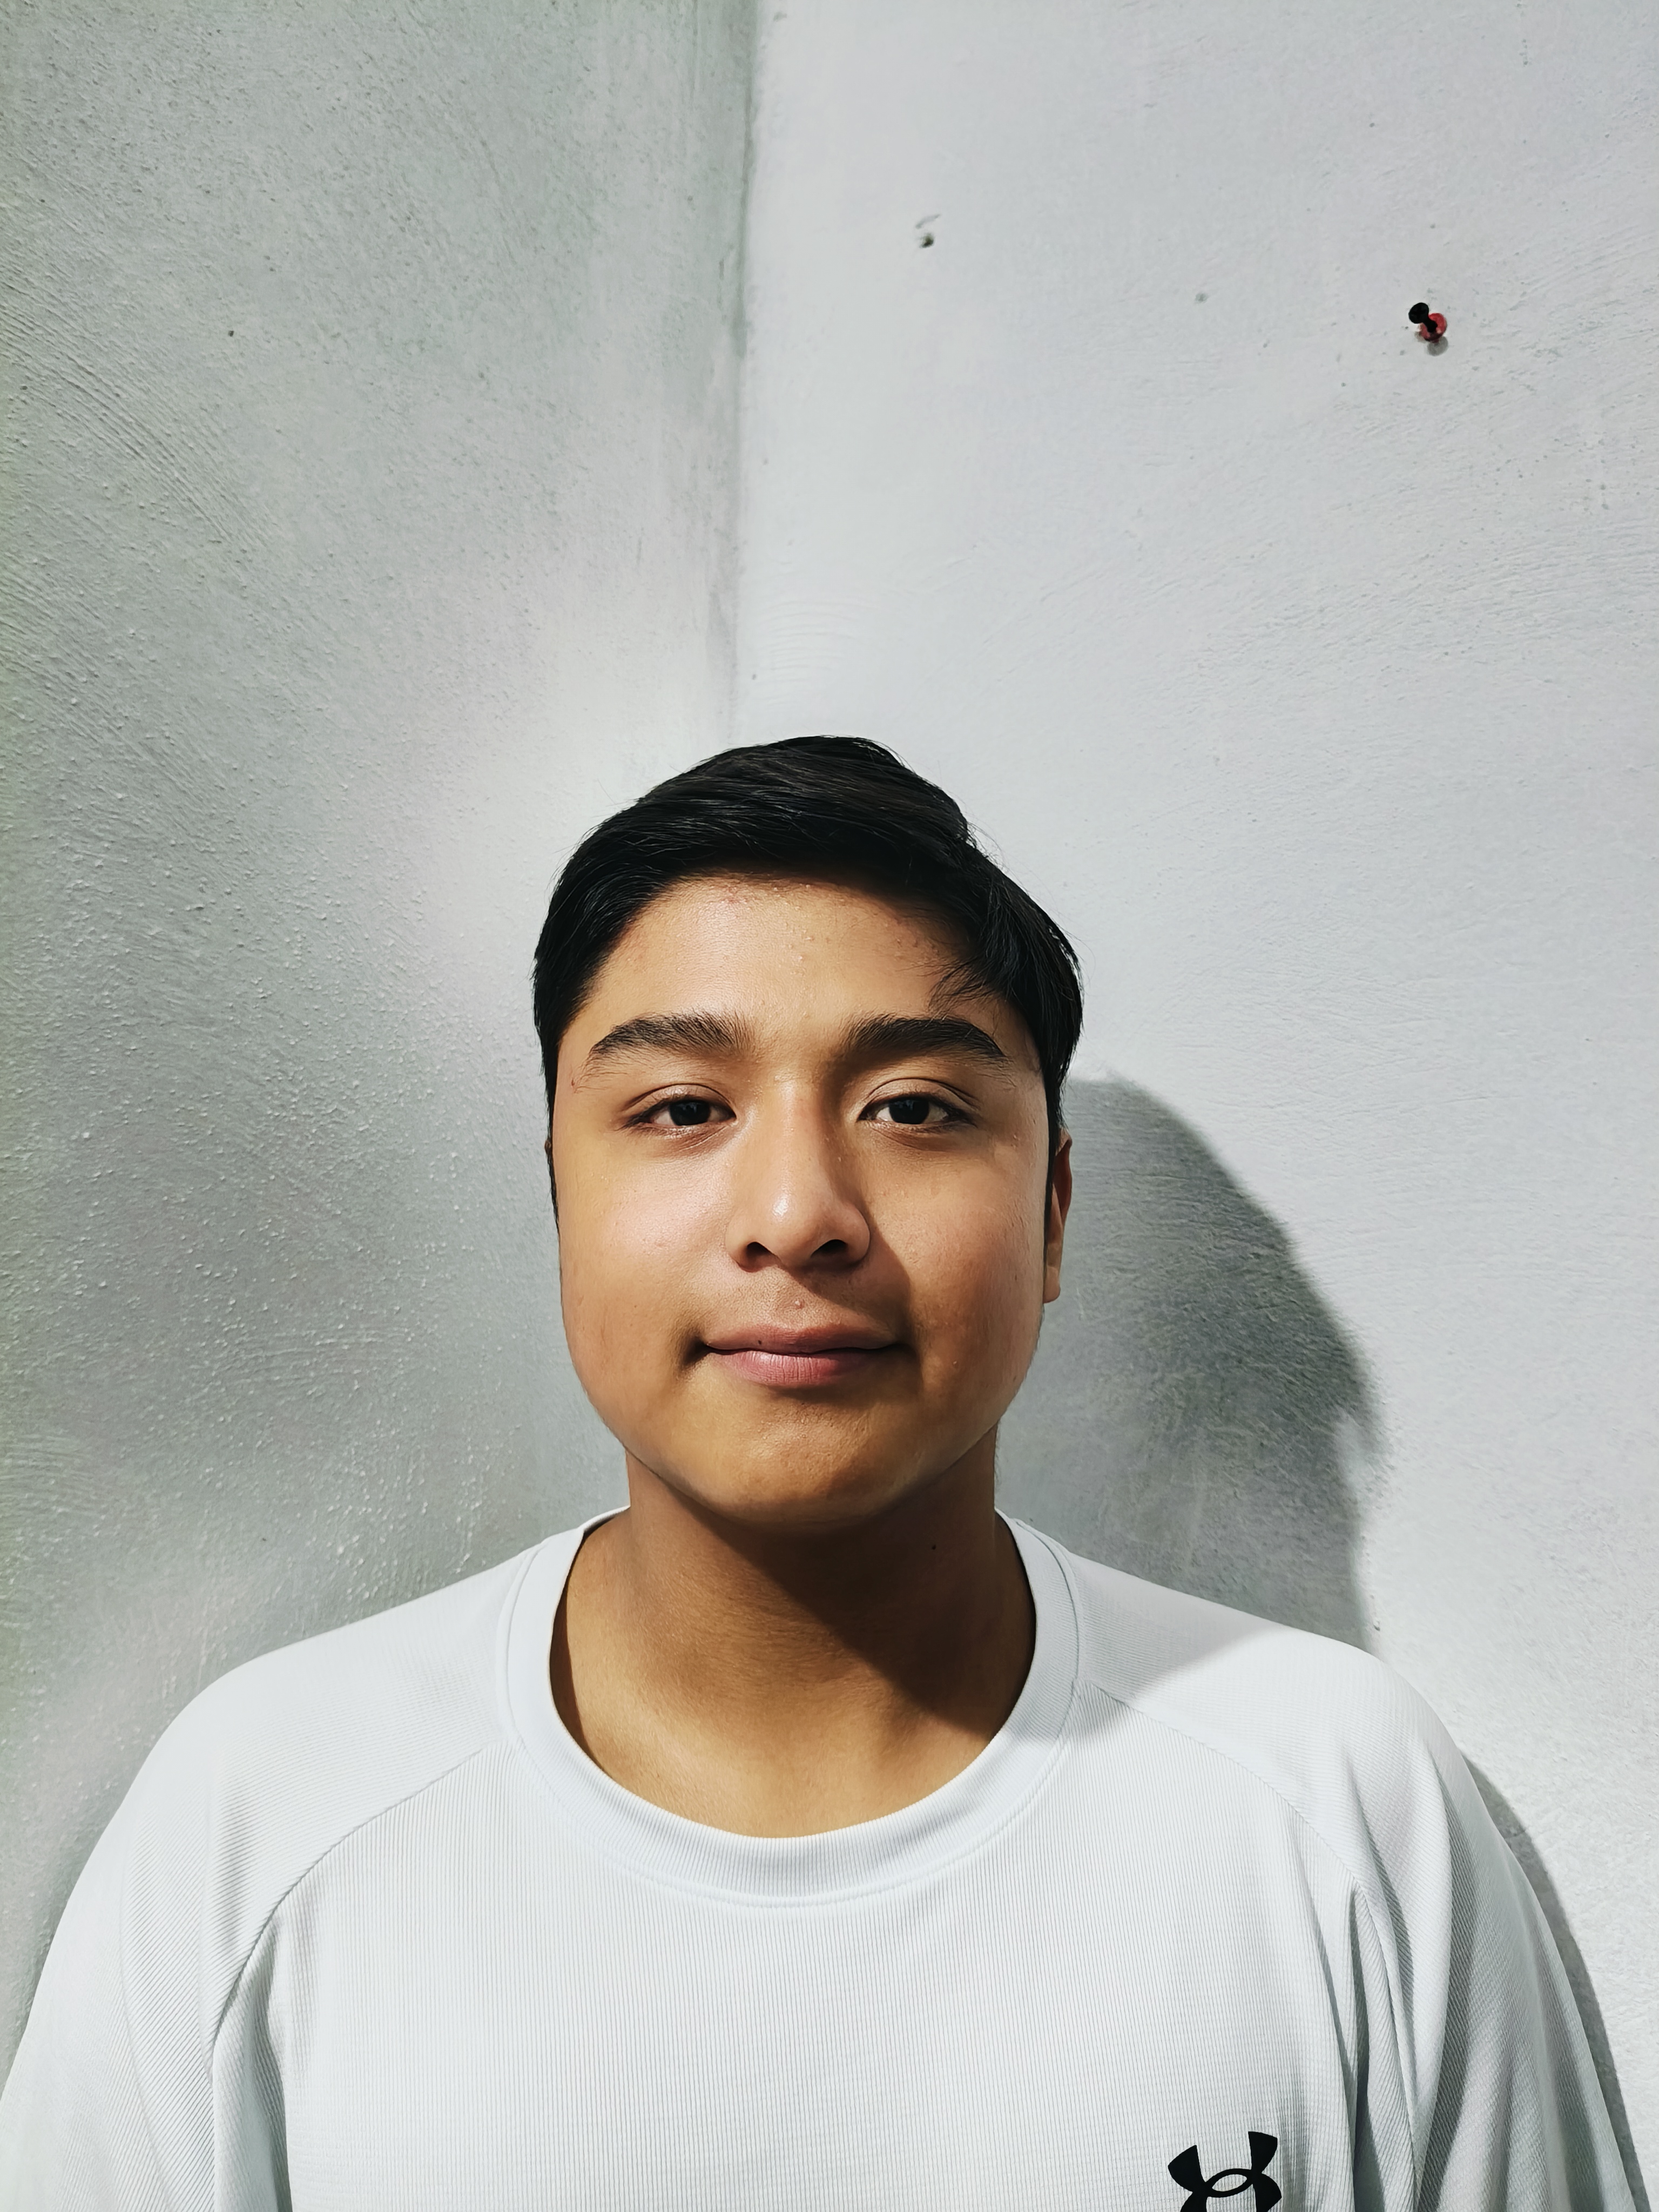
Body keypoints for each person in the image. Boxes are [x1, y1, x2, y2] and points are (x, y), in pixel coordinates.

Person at [0, 737, 1634, 2210]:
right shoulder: (263, 1815)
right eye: (682, 1107)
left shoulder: (1344, 1800)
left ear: (1054, 1214)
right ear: (560, 1195)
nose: (798, 1214)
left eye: (914, 1106)